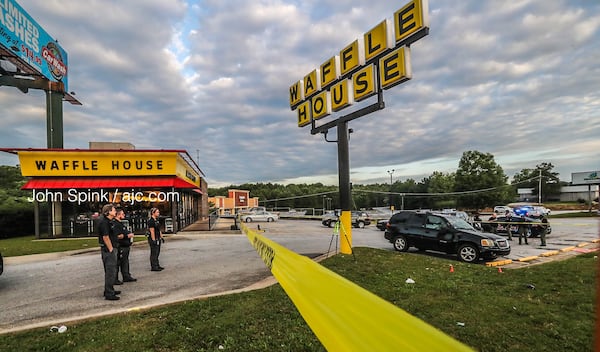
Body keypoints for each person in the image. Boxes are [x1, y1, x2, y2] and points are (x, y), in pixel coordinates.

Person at [97, 204, 120, 300]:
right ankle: (109, 293)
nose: (115, 212)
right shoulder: (104, 222)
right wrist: (111, 249)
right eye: (114, 210)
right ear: (108, 212)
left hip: (112, 247)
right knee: (110, 270)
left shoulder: (110, 221)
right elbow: (105, 237)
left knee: (112, 270)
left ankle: (110, 289)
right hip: (108, 249)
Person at [114, 209, 137, 284]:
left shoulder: (120, 224)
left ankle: (126, 276)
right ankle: (115, 278)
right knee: (119, 262)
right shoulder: (116, 224)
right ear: (118, 215)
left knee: (125, 262)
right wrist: (127, 235)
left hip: (126, 245)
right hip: (121, 246)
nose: (124, 215)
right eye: (122, 214)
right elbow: (117, 236)